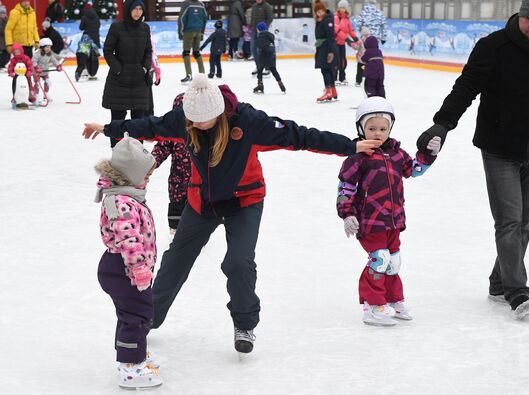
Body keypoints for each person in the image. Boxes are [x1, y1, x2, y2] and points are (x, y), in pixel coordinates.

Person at [82, 73, 384, 354]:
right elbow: (150, 125)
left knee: (238, 262)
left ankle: (244, 325)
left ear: (220, 111)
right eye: (193, 121)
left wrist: (350, 146)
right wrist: (108, 128)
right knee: (176, 259)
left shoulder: (249, 121)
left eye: (205, 120)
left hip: (245, 200)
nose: (198, 125)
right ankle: (149, 317)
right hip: (204, 202)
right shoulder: (184, 118)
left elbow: (299, 135)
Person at [415, 0, 529, 320]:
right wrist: (442, 123)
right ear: (520, 15)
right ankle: (517, 291)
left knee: (524, 224)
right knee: (510, 221)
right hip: (499, 148)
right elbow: (466, 87)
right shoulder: (493, 47)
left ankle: (499, 282)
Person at [337, 96, 440, 326]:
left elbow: (414, 170)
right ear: (361, 128)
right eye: (371, 128)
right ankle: (372, 305)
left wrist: (428, 154)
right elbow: (346, 189)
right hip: (370, 221)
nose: (377, 133)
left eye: (383, 128)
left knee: (393, 261)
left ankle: (393, 300)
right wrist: (348, 214)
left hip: (393, 220)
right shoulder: (357, 158)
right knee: (379, 258)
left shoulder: (396, 153)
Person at [94, 133, 163, 389]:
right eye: (145, 176)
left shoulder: (125, 194)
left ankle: (132, 353)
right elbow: (128, 237)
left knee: (132, 313)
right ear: (130, 175)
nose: (147, 181)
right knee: (137, 314)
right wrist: (139, 268)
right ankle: (131, 367)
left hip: (123, 267)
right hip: (123, 267)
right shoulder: (121, 201)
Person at [102, 0, 152, 147]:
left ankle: (138, 155)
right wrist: (118, 68)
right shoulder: (117, 27)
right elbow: (107, 51)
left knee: (139, 123)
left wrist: (145, 67)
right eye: (134, 9)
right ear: (128, 10)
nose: (138, 12)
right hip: (118, 82)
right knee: (117, 122)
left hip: (139, 81)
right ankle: (117, 153)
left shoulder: (145, 28)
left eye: (140, 9)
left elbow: (148, 51)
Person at [151, 93, 192, 235]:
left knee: (199, 207)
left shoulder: (204, 131)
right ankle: (175, 230)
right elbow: (162, 147)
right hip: (178, 179)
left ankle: (197, 233)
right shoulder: (172, 132)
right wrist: (151, 163)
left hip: (201, 182)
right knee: (177, 205)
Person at [314, 0, 339, 103]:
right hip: (322, 47)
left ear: (324, 10)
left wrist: (330, 52)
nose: (319, 13)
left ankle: (328, 91)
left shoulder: (327, 20)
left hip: (327, 48)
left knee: (325, 70)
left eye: (321, 11)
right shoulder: (321, 20)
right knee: (327, 70)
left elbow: (330, 37)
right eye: (317, 12)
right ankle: (332, 90)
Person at [177, 0, 207, 83]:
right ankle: (202, 74)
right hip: (198, 31)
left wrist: (180, 32)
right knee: (196, 53)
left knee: (186, 53)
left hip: (188, 31)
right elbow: (205, 19)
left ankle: (189, 75)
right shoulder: (201, 4)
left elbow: (182, 18)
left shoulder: (186, 3)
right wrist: (202, 33)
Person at [253, 21, 285, 94]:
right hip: (272, 56)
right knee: (274, 70)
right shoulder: (271, 35)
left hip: (263, 56)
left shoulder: (261, 36)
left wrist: (258, 51)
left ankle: (260, 85)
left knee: (260, 70)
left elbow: (261, 46)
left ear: (259, 29)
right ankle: (281, 84)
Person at [334, 0, 357, 86]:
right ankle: (334, 78)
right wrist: (347, 39)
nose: (342, 9)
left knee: (343, 61)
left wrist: (355, 38)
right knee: (336, 61)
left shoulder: (347, 19)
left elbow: (350, 30)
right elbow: (337, 30)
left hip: (342, 43)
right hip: (335, 42)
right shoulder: (336, 17)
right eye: (340, 7)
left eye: (343, 7)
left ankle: (342, 78)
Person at [32, 37, 63, 101]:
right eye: (46, 47)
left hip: (45, 71)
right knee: (37, 83)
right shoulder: (37, 53)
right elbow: (33, 61)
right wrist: (36, 67)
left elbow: (54, 60)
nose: (48, 49)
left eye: (49, 47)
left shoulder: (49, 54)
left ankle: (46, 93)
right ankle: (36, 94)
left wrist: (58, 66)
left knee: (48, 82)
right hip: (37, 72)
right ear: (42, 47)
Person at [249, 0, 273, 75]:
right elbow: (252, 17)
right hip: (254, 31)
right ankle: (258, 66)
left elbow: (270, 18)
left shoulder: (267, 6)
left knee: (264, 49)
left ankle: (267, 68)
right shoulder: (254, 6)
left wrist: (264, 28)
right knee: (254, 49)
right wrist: (252, 26)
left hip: (263, 32)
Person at [0, 5, 8, 70]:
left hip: (6, 40)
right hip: (1, 40)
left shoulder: (7, 20)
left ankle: (4, 64)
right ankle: (1, 65)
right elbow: (2, 30)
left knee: (7, 53)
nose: (2, 15)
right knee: (1, 53)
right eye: (1, 13)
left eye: (4, 13)